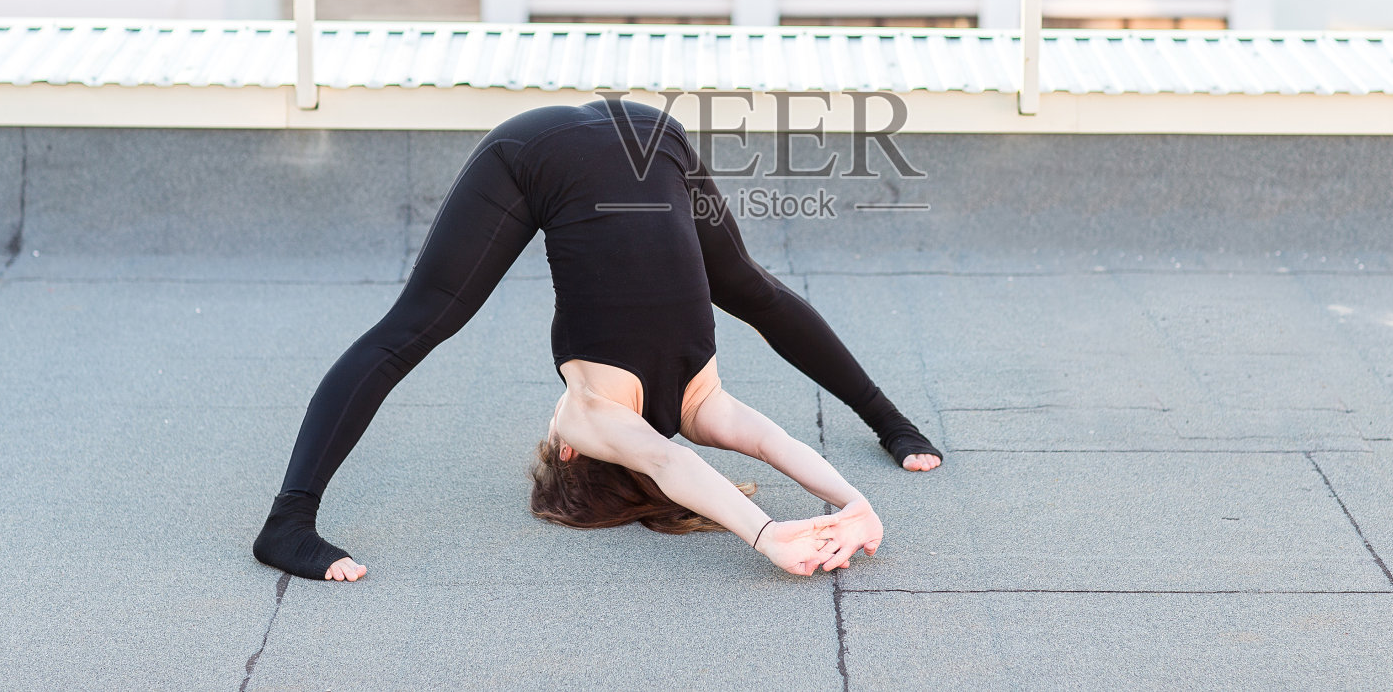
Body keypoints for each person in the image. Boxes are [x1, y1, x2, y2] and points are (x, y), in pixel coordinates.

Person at [253, 97, 941, 581]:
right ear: (571, 449)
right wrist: (766, 532)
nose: (548, 426)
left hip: (649, 132)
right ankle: (285, 522)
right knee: (411, 328)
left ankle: (893, 422)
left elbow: (763, 444)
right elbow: (675, 466)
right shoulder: (590, 415)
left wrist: (853, 503)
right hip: (577, 144)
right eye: (549, 443)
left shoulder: (700, 403)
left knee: (751, 288)